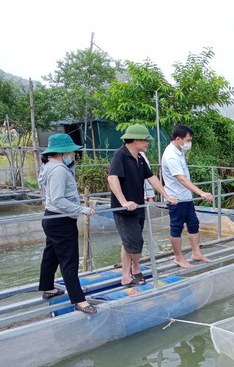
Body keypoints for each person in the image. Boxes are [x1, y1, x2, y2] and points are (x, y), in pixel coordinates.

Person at [107, 124, 177, 287]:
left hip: (138, 206)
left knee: (129, 242)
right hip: (124, 210)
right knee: (134, 243)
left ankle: (129, 273)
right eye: (146, 141)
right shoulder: (121, 155)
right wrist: (124, 201)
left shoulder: (139, 157)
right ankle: (132, 270)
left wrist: (166, 196)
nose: (147, 144)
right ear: (136, 140)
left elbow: (151, 177)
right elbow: (112, 178)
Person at [38, 133, 97, 314]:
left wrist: (70, 167)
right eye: (71, 151)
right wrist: (82, 209)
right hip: (61, 220)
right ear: (62, 152)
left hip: (52, 219)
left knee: (51, 254)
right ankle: (79, 300)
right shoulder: (58, 170)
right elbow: (57, 199)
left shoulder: (50, 166)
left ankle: (48, 287)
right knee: (69, 261)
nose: (73, 154)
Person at [161, 124, 214, 268]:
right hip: (175, 198)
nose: (189, 143)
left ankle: (196, 253)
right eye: (188, 140)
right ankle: (178, 257)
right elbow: (181, 178)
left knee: (193, 223)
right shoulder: (171, 155)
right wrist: (202, 193)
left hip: (186, 196)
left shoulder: (179, 151)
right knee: (176, 227)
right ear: (178, 139)